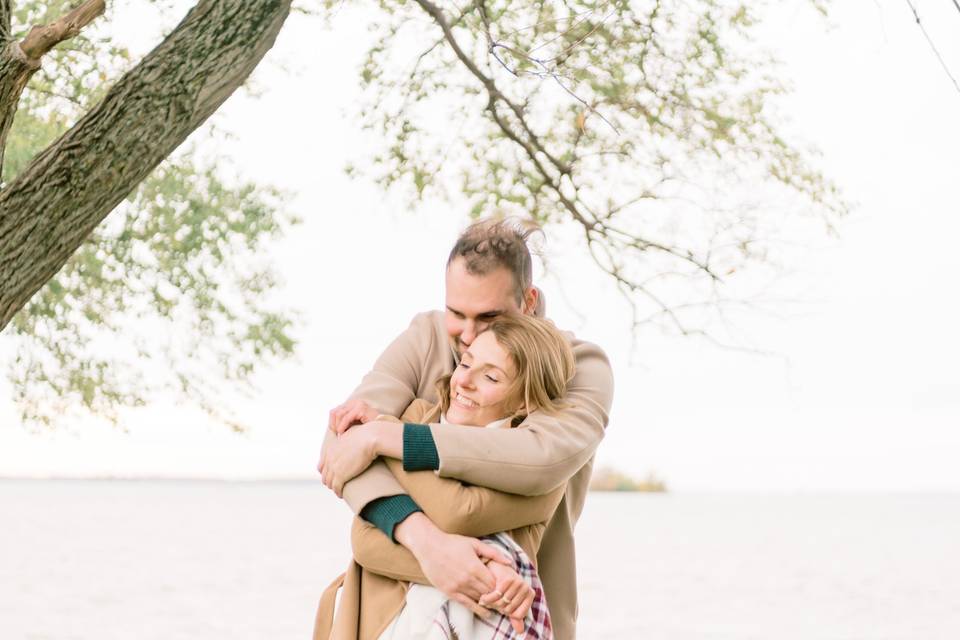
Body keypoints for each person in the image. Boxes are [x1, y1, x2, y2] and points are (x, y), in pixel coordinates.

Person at [317, 219, 614, 640]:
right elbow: (342, 440)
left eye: (489, 316)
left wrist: (385, 437)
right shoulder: (427, 337)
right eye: (457, 313)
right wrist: (428, 545)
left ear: (528, 300)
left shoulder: (578, 365)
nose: (469, 336)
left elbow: (542, 459)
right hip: (384, 614)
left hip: (514, 607)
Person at [315, 314, 576, 638]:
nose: (464, 382)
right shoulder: (416, 416)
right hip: (380, 624)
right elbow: (365, 541)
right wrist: (483, 569)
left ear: (526, 400)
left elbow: (460, 512)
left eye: (491, 378)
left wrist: (383, 437)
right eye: (465, 365)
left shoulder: (535, 473)